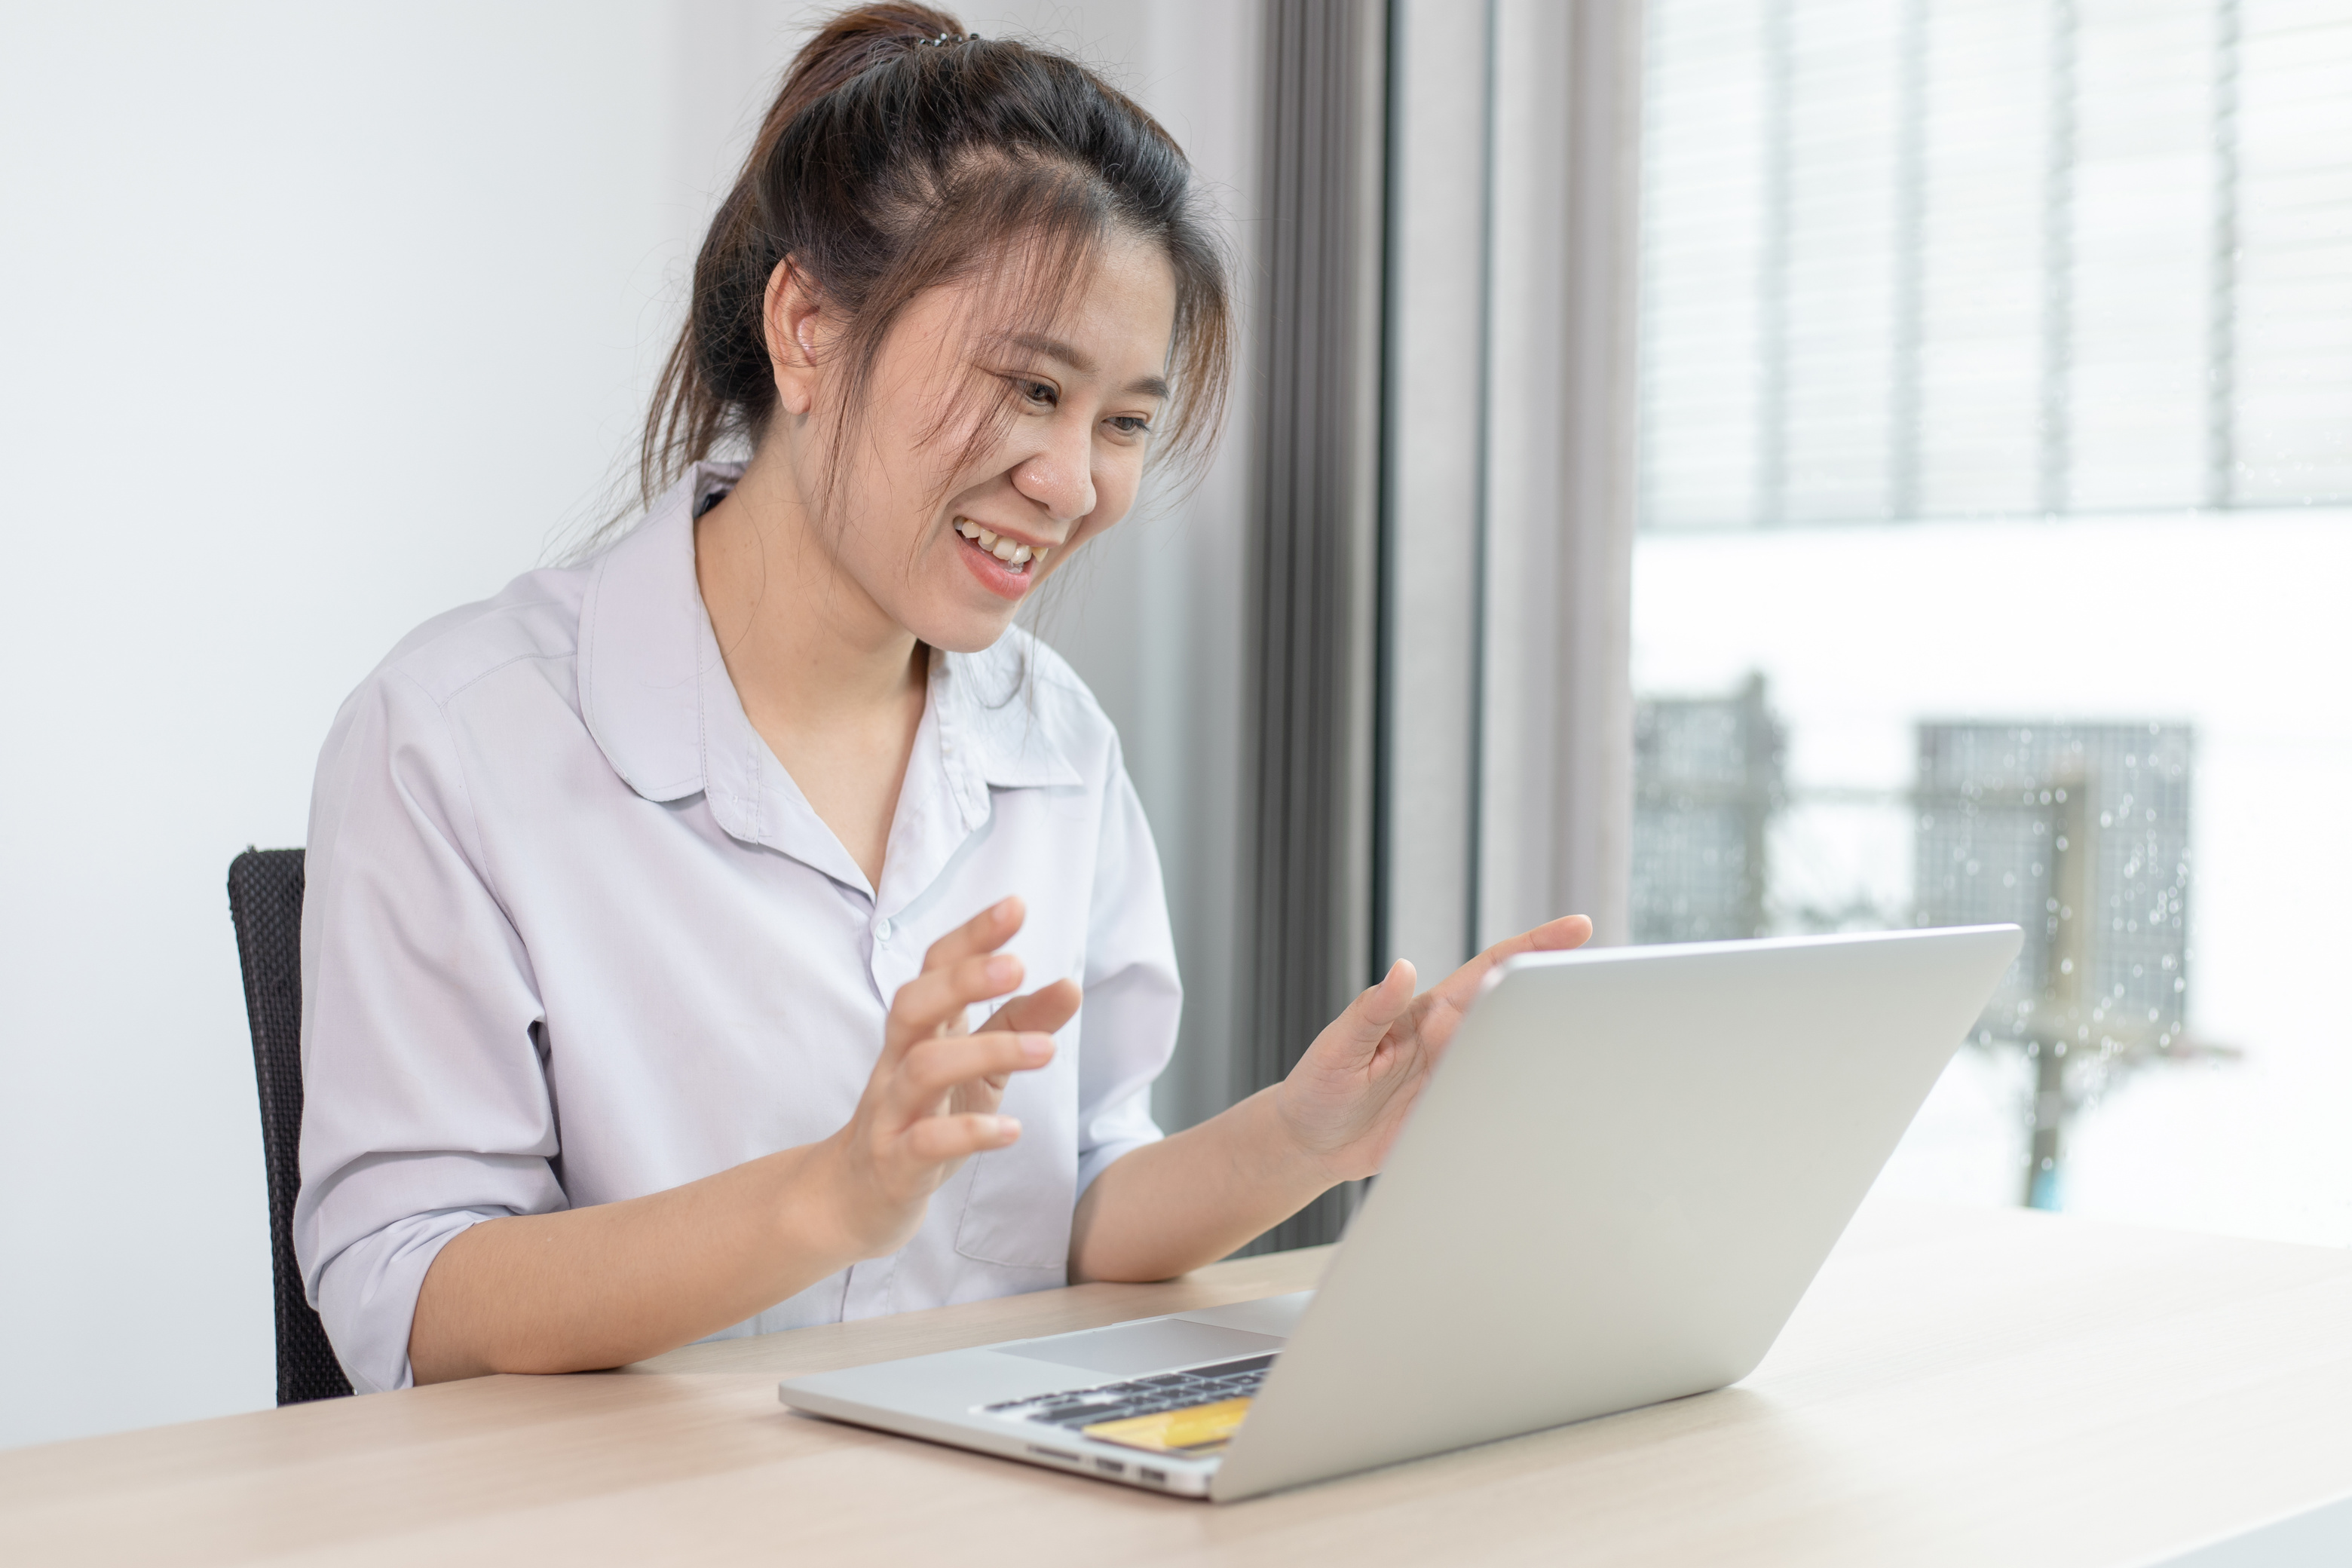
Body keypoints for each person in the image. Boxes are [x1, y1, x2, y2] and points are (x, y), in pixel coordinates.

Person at [294, 2, 1591, 1395]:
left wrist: (1311, 1139)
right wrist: (830, 1198)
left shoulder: (1053, 742)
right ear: (805, 331)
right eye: (1031, 387)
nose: (1075, 480)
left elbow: (1073, 1206)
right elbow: (409, 1292)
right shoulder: (456, 736)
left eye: (1127, 422)